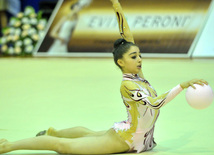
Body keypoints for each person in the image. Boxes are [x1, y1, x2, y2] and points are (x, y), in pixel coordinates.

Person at [0, 0, 208, 154]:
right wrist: (182, 85)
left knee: (91, 134)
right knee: (64, 147)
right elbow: (154, 104)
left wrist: (117, 7)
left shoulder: (139, 77)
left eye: (140, 55)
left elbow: (128, 37)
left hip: (139, 137)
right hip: (125, 140)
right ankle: (10, 145)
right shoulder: (127, 85)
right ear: (121, 62)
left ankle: (53, 131)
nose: (139, 59)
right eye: (133, 56)